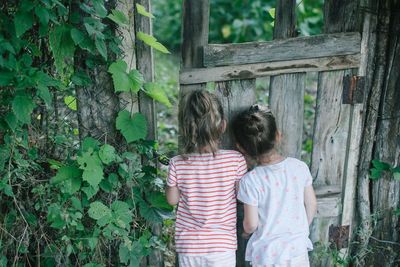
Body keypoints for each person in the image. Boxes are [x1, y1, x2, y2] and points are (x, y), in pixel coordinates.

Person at [166, 89, 247, 267]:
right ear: (223, 126)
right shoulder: (235, 160)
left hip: (189, 246)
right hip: (222, 246)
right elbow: (242, 196)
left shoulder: (177, 163)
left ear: (186, 128)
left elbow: (172, 200)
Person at [232, 104, 317, 267]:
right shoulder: (299, 167)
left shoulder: (250, 180)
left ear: (241, 148)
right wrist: (299, 231)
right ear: (278, 136)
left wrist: (245, 233)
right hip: (297, 251)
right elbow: (311, 203)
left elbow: (251, 224)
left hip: (268, 255)